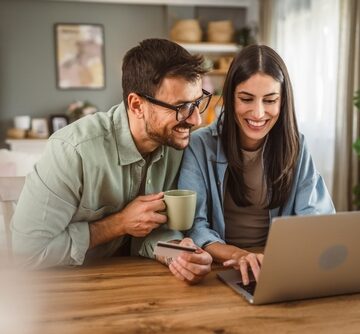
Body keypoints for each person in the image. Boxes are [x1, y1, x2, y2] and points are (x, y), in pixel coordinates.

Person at [12, 38, 212, 284]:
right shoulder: (72, 151)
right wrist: (118, 224)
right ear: (136, 104)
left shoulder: (176, 145)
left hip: (138, 285)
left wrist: (179, 255)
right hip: (62, 288)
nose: (195, 121)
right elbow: (26, 252)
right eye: (181, 107)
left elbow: (152, 233)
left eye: (197, 103)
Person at [178, 44, 335, 285]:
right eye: (246, 99)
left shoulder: (296, 145)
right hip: (221, 265)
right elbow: (195, 227)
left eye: (270, 100)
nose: (259, 113)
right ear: (230, 97)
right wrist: (239, 254)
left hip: (276, 266)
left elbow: (313, 219)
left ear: (283, 102)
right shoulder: (199, 145)